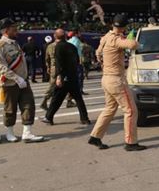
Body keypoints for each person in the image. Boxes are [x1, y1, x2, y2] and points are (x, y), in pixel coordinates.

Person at [89, 14, 146, 151]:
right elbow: (133, 45)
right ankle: (130, 142)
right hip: (116, 80)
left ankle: (95, 136)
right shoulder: (116, 39)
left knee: (109, 109)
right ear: (124, 27)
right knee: (131, 111)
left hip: (106, 78)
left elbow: (97, 53)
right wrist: (133, 38)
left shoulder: (105, 38)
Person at [0, 18, 44, 143]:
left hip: (23, 81)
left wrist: (23, 79)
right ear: (5, 30)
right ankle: (10, 133)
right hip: (9, 82)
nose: (16, 30)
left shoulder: (16, 44)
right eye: (13, 28)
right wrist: (17, 78)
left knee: (28, 105)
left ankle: (27, 133)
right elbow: (0, 66)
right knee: (10, 109)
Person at [41, 29, 90, 125]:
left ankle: (48, 117)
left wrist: (59, 76)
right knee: (78, 98)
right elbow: (77, 60)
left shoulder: (58, 47)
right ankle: (84, 118)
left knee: (57, 98)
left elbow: (59, 63)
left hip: (64, 76)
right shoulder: (72, 46)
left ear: (55, 36)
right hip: (73, 75)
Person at [68, 29, 88, 95]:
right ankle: (79, 90)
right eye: (79, 33)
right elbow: (77, 51)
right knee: (80, 76)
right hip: (77, 60)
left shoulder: (69, 41)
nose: (80, 34)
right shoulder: (77, 41)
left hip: (70, 61)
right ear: (76, 34)